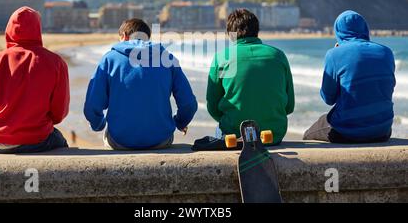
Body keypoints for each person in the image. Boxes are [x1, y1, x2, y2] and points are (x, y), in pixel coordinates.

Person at [84, 18, 197, 150]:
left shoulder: (110, 59)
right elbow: (189, 104)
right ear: (147, 38)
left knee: (109, 134)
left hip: (120, 141)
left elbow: (92, 105)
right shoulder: (167, 58)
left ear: (124, 36)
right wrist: (179, 122)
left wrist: (98, 124)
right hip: (161, 140)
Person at [0, 6, 70, 153]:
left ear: (9, 29)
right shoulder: (56, 62)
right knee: (61, 142)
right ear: (38, 29)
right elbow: (59, 114)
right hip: (38, 140)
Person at [303, 10, 396, 143]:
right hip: (383, 130)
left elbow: (328, 98)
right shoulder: (387, 52)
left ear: (338, 31)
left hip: (347, 131)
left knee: (308, 135)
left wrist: (336, 55)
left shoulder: (334, 54)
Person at [206, 9, 295, 145]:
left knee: (220, 130)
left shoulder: (222, 57)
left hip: (235, 136)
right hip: (273, 134)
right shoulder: (278, 55)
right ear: (257, 30)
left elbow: (212, 106)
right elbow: (289, 106)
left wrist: (233, 119)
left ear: (231, 34)